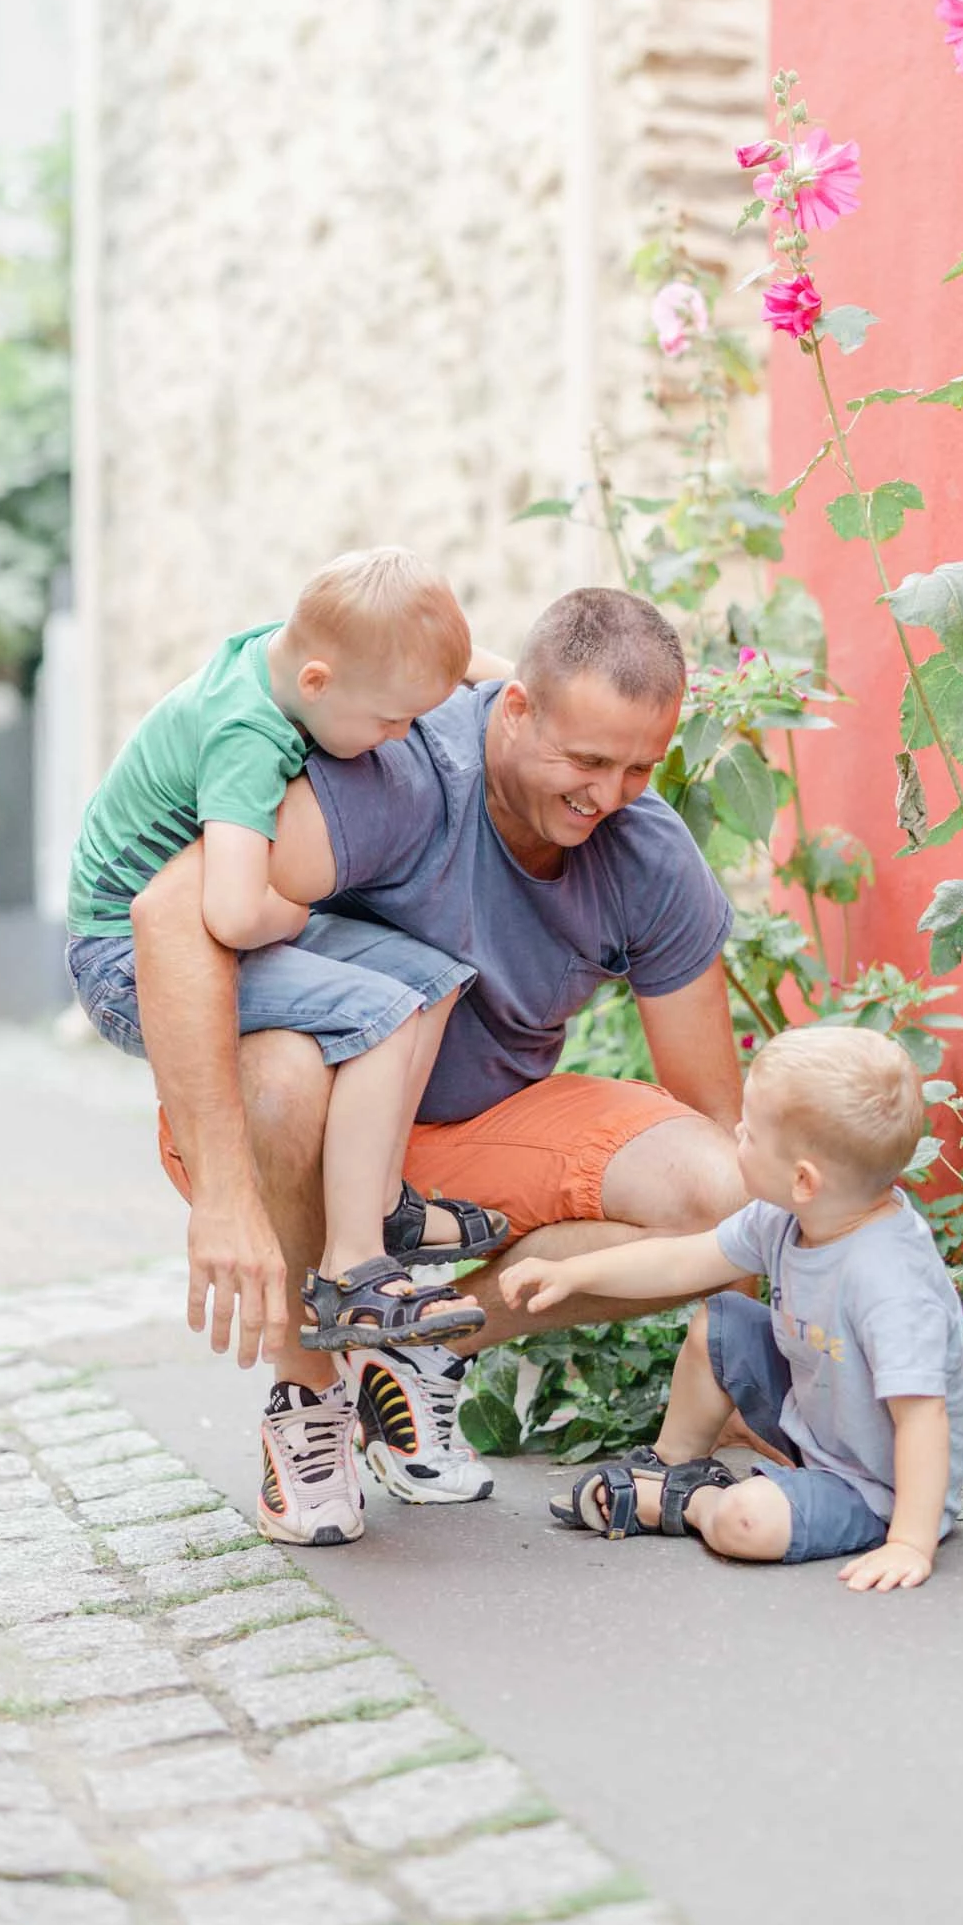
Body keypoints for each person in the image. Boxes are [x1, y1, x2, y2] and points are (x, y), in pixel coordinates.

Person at [126, 584, 750, 1546]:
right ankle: (311, 1395)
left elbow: (718, 1118)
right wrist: (220, 1195)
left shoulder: (645, 851)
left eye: (640, 766)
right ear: (515, 709)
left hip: (475, 1138)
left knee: (723, 1195)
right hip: (296, 1136)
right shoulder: (401, 776)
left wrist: (754, 1378)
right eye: (587, 760)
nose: (610, 795)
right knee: (285, 1073)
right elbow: (170, 916)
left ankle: (417, 1341)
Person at [68, 549, 518, 1412]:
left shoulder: (304, 655)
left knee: (434, 977)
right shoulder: (248, 737)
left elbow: (450, 668)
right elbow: (235, 913)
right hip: (126, 960)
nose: (401, 738)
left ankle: (377, 1202)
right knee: (387, 1010)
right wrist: (299, 908)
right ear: (319, 681)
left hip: (225, 914)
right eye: (391, 721)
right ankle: (354, 1266)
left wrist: (519, 685)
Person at [501, 1022, 963, 1591]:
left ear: (804, 1180)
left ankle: (696, 1501)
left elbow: (923, 1417)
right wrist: (572, 1272)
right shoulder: (787, 1217)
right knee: (721, 1323)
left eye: (751, 1133)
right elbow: (681, 1261)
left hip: (876, 1486)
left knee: (745, 1522)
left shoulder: (890, 1283)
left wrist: (909, 1542)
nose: (737, 1132)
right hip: (819, 1421)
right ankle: (671, 1465)